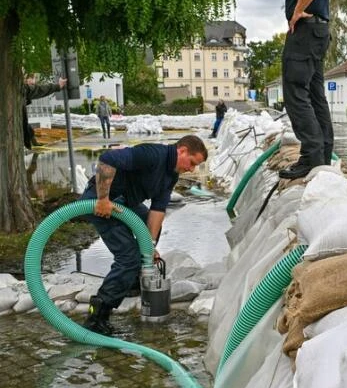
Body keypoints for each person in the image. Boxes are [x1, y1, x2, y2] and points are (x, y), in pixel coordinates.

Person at [79, 135, 208, 335]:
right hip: (100, 203)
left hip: (124, 203)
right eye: (192, 163)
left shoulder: (170, 175)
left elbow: (157, 212)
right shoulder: (152, 155)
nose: (191, 169)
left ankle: (130, 282)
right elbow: (108, 158)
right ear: (181, 151)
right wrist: (103, 198)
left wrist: (149, 248)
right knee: (128, 258)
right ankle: (98, 315)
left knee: (147, 223)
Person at [271, 0, 334, 180]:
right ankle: (322, 156)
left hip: (307, 31)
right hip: (319, 31)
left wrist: (297, 11)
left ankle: (310, 158)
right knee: (315, 94)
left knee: (296, 92)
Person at [23, 75, 66, 149]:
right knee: (27, 128)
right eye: (32, 78)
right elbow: (39, 90)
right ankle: (34, 145)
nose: (34, 81)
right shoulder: (20, 88)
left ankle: (34, 144)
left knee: (28, 129)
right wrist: (58, 86)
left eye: (34, 79)